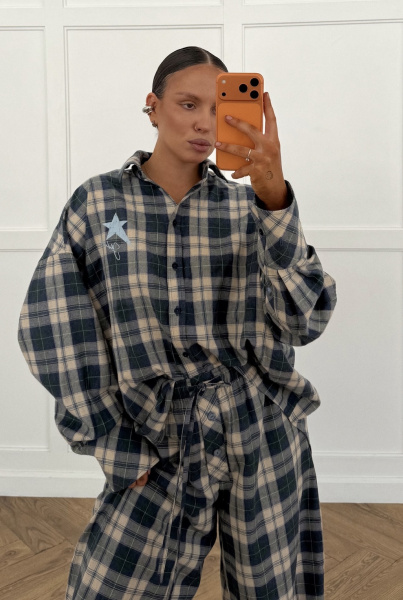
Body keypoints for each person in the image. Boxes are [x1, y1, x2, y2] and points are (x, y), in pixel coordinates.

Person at [18, 46, 337, 600]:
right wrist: (112, 438)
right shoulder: (99, 203)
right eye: (188, 104)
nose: (204, 124)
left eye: (219, 109)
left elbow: (303, 320)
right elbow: (52, 324)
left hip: (260, 429)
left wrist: (275, 200)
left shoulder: (250, 208)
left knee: (273, 590)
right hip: (155, 434)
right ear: (153, 105)